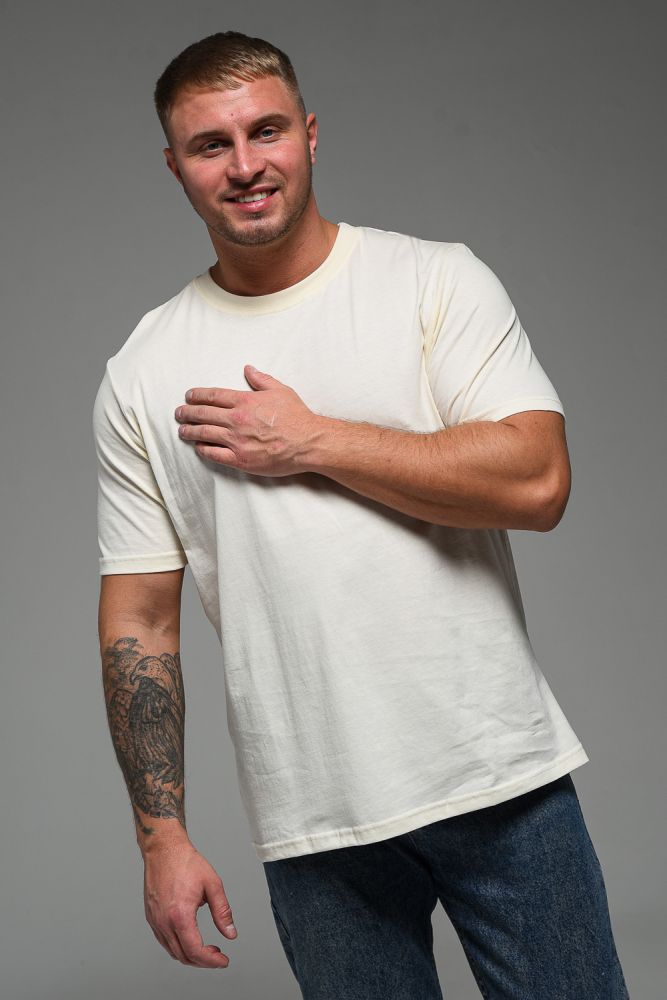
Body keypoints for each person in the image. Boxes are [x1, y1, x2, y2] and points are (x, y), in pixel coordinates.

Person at [93, 30, 630, 999]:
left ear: (308, 133)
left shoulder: (432, 281)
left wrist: (313, 441)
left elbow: (538, 482)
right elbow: (140, 620)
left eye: (265, 131)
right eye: (212, 145)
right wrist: (161, 836)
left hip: (497, 778)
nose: (245, 165)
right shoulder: (142, 369)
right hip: (313, 821)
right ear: (175, 166)